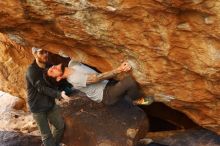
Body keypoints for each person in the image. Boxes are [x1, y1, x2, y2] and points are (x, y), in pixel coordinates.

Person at [44, 59, 155, 106]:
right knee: (129, 82)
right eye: (52, 71)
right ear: (58, 78)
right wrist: (119, 69)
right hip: (105, 95)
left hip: (107, 84)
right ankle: (138, 100)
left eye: (51, 67)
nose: (53, 67)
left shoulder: (72, 64)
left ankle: (128, 95)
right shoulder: (74, 79)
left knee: (123, 83)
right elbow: (97, 78)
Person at [26, 47, 69, 146]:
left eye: (46, 52)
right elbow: (41, 88)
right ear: (34, 54)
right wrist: (59, 94)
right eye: (41, 52)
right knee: (46, 135)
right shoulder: (32, 71)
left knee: (60, 126)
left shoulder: (50, 66)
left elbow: (54, 82)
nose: (45, 54)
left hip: (50, 103)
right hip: (37, 107)